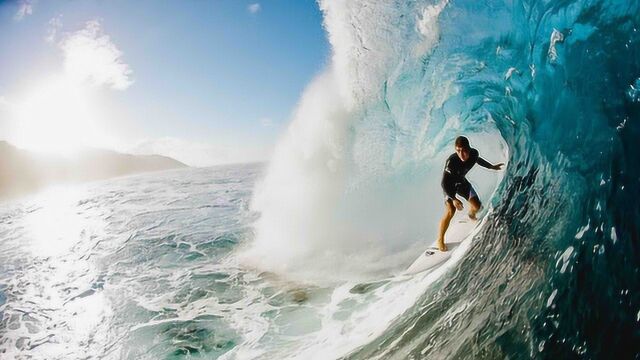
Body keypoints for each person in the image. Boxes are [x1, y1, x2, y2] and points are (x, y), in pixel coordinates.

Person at [437, 136, 504, 251]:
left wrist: (491, 166)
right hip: (449, 187)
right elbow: (444, 183)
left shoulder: (474, 154)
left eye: (463, 150)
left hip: (462, 183)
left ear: (469, 148)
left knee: (477, 206)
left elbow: (478, 160)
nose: (461, 154)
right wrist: (453, 199)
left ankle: (471, 214)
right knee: (450, 211)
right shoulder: (451, 162)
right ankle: (440, 239)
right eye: (458, 151)